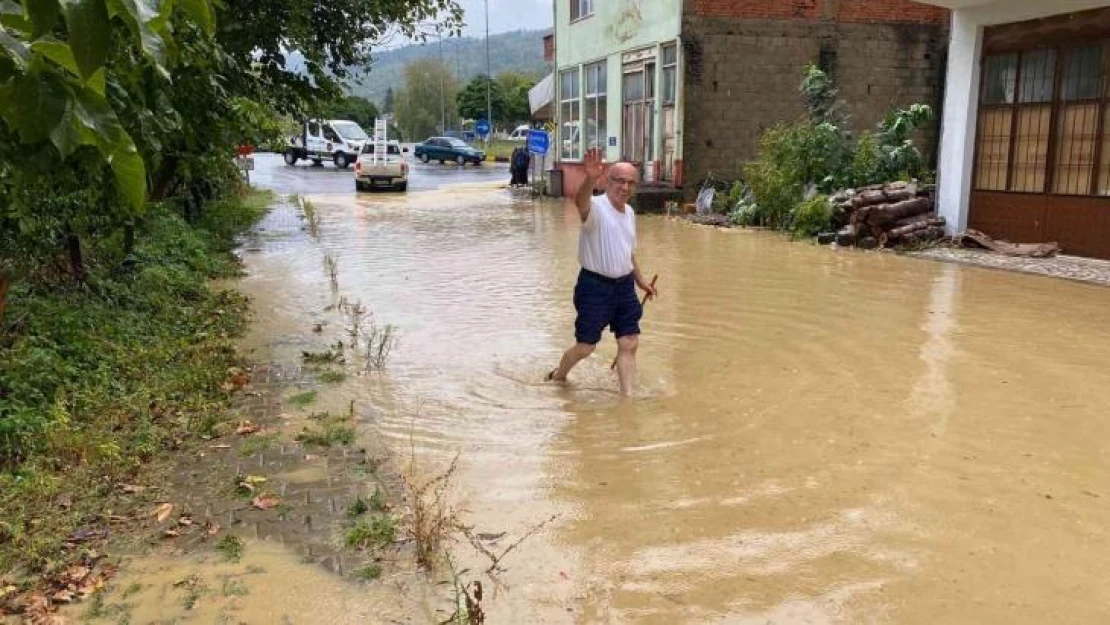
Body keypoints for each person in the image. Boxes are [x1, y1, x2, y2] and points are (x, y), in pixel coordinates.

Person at [546, 148, 657, 397]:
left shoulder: (629, 213)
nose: (625, 187)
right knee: (586, 347)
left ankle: (627, 399)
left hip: (625, 287)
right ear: (608, 180)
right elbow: (580, 202)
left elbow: (627, 252)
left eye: (631, 183)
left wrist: (641, 281)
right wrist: (589, 178)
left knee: (629, 342)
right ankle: (559, 375)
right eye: (619, 180)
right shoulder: (596, 207)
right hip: (595, 287)